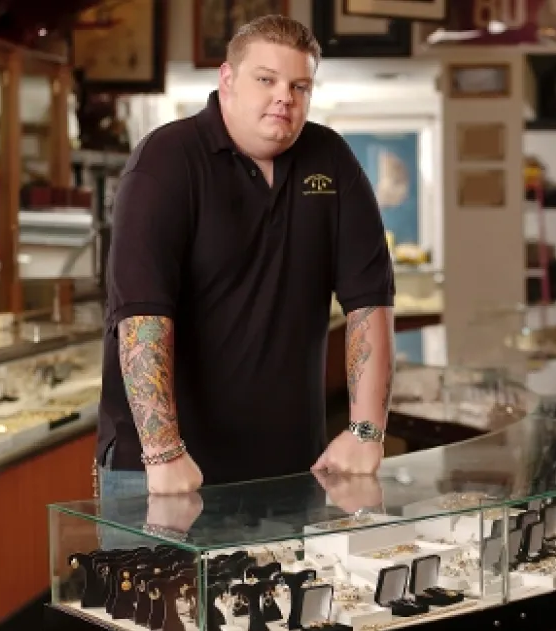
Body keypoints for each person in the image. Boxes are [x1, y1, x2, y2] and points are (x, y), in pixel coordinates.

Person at [98, 14, 396, 497]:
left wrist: (367, 430)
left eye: (299, 86)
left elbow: (370, 301)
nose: (285, 97)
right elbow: (143, 316)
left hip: (293, 467)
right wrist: (163, 452)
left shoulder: (331, 159)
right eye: (266, 80)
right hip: (161, 470)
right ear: (227, 79)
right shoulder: (166, 159)